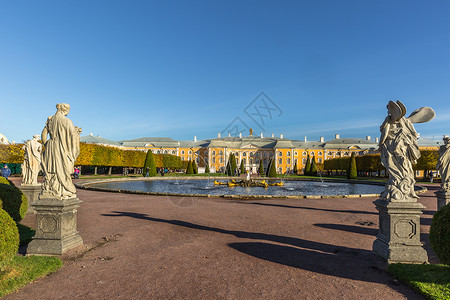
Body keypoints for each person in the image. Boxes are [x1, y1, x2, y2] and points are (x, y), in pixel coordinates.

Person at [40, 103, 81, 199]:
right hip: (61, 148)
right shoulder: (66, 121)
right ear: (64, 110)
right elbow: (73, 137)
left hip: (51, 147)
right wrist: (74, 152)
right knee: (63, 169)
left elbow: (43, 134)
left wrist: (46, 144)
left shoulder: (50, 120)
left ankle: (50, 189)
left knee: (52, 170)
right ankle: (62, 190)